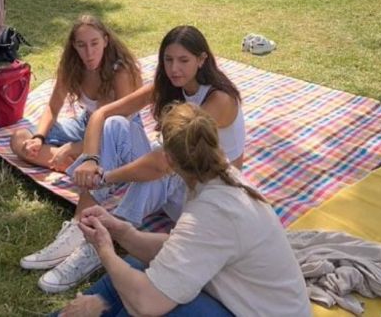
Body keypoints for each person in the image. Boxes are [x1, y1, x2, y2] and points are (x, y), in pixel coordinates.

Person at [24, 25, 247, 294]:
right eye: (168, 59)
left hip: (209, 198)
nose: (174, 68)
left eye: (183, 60)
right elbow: (101, 115)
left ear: (202, 60)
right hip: (179, 181)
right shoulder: (170, 85)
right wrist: (91, 160)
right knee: (116, 125)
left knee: (160, 168)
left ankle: (100, 242)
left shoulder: (219, 99)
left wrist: (106, 176)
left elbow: (163, 163)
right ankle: (80, 224)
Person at [55, 103, 308, 317]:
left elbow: (146, 304)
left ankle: (91, 310)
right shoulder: (219, 179)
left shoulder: (213, 210)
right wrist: (122, 232)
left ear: (169, 160)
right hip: (247, 302)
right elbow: (181, 248)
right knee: (136, 266)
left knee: (148, 306)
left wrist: (104, 250)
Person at [8, 16, 143, 172]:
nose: (89, 53)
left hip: (120, 135)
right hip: (86, 124)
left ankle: (75, 164)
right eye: (81, 45)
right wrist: (38, 138)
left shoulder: (120, 72)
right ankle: (70, 165)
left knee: (115, 160)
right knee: (19, 139)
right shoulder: (71, 67)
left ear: (105, 41)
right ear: (74, 45)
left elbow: (116, 133)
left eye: (94, 43)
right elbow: (53, 107)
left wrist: (71, 148)